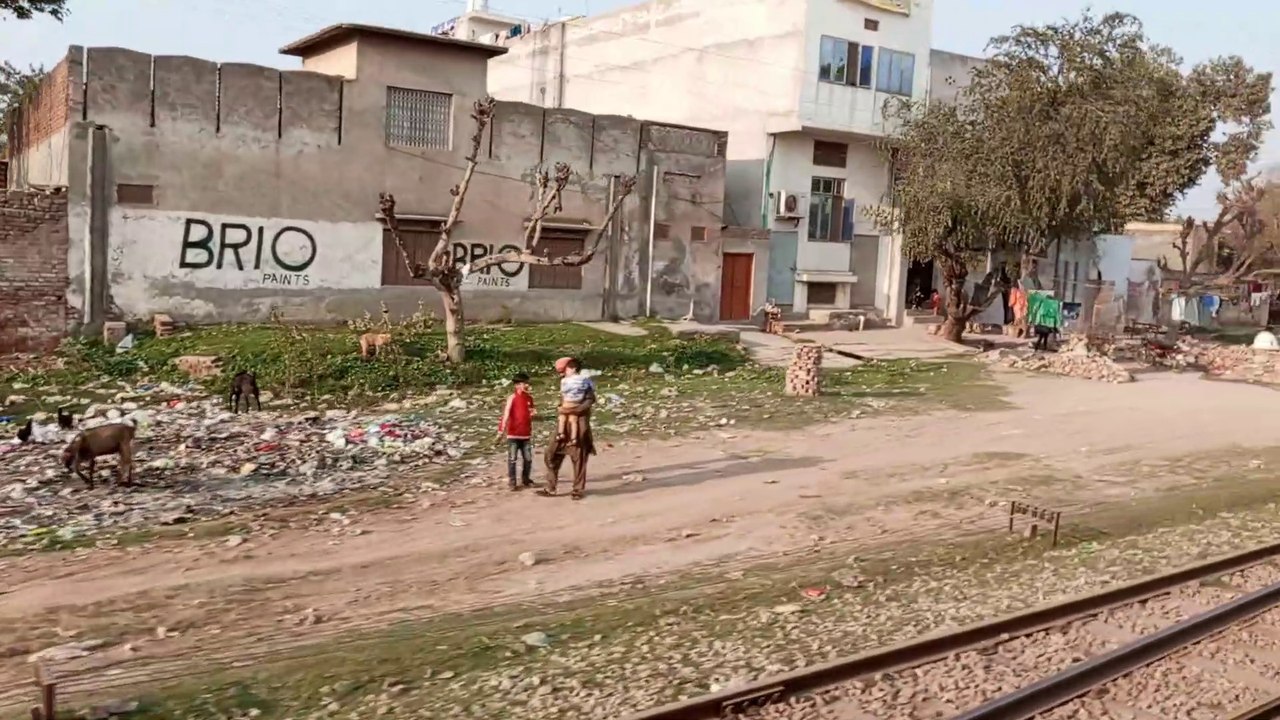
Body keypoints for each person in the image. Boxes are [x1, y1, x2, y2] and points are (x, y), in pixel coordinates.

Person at [538, 357, 596, 500]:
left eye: (565, 370)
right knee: (550, 454)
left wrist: (575, 410)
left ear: (573, 368)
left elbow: (590, 400)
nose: (562, 373)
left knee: (579, 459)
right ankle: (551, 487)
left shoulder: (584, 384)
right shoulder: (565, 383)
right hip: (562, 426)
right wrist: (561, 408)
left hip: (579, 424)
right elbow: (564, 400)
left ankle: (578, 490)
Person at [497, 372, 536, 491]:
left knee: (528, 459)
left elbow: (531, 412)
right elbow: (506, 415)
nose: (527, 386)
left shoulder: (529, 398)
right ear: (517, 385)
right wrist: (500, 432)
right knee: (512, 459)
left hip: (526, 435)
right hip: (513, 434)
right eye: (525, 383)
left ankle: (526, 479)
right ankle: (512, 482)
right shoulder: (512, 398)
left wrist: (533, 414)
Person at [555, 357, 593, 446]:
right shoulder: (565, 382)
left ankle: (577, 441)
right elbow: (562, 397)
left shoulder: (584, 382)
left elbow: (590, 399)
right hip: (566, 409)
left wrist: (578, 409)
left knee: (583, 431)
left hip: (581, 411)